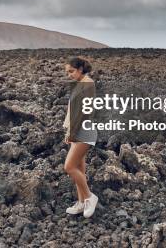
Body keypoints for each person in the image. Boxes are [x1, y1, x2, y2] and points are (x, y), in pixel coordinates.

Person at [63, 56, 99, 218]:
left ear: (80, 69)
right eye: (67, 72)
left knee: (69, 167)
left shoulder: (88, 83)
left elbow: (85, 112)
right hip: (76, 130)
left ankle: (90, 197)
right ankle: (81, 202)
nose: (69, 74)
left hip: (84, 130)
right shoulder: (79, 83)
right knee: (78, 168)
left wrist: (72, 132)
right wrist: (68, 131)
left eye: (71, 71)